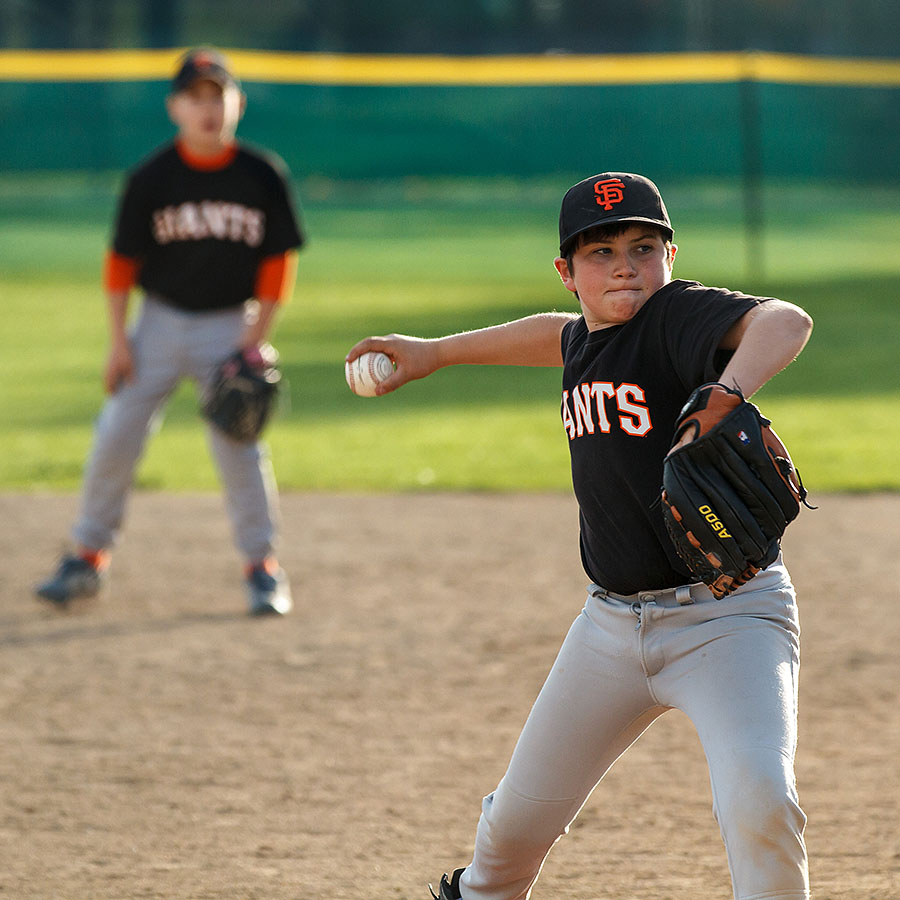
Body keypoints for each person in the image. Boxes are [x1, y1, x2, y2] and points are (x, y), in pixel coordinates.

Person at [346, 172, 814, 899]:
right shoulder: (585, 341)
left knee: (760, 799)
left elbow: (786, 322)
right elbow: (555, 338)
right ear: (567, 274)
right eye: (599, 253)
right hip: (610, 628)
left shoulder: (675, 317)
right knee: (509, 835)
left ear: (671, 254)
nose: (624, 264)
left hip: (729, 618)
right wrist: (433, 353)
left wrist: (726, 391)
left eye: (642, 245)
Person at [35, 47, 305, 616]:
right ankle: (88, 556)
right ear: (174, 108)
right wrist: (118, 342)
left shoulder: (262, 175)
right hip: (156, 323)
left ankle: (262, 566)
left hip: (229, 327)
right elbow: (120, 266)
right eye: (195, 97)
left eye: (219, 95)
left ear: (238, 104)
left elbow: (278, 263)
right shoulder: (151, 178)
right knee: (116, 434)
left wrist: (256, 335)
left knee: (240, 444)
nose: (208, 108)